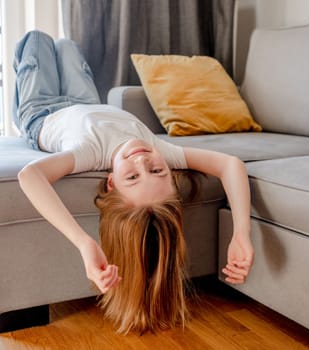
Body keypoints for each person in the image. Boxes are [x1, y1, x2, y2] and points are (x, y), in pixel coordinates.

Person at [14, 30, 254, 334]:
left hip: (43, 112)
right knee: (66, 45)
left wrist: (84, 242)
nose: (143, 160)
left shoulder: (91, 152)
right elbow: (230, 165)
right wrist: (241, 232)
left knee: (36, 39)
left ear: (112, 182)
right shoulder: (161, 151)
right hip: (88, 101)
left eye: (132, 176)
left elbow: (30, 176)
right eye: (158, 172)